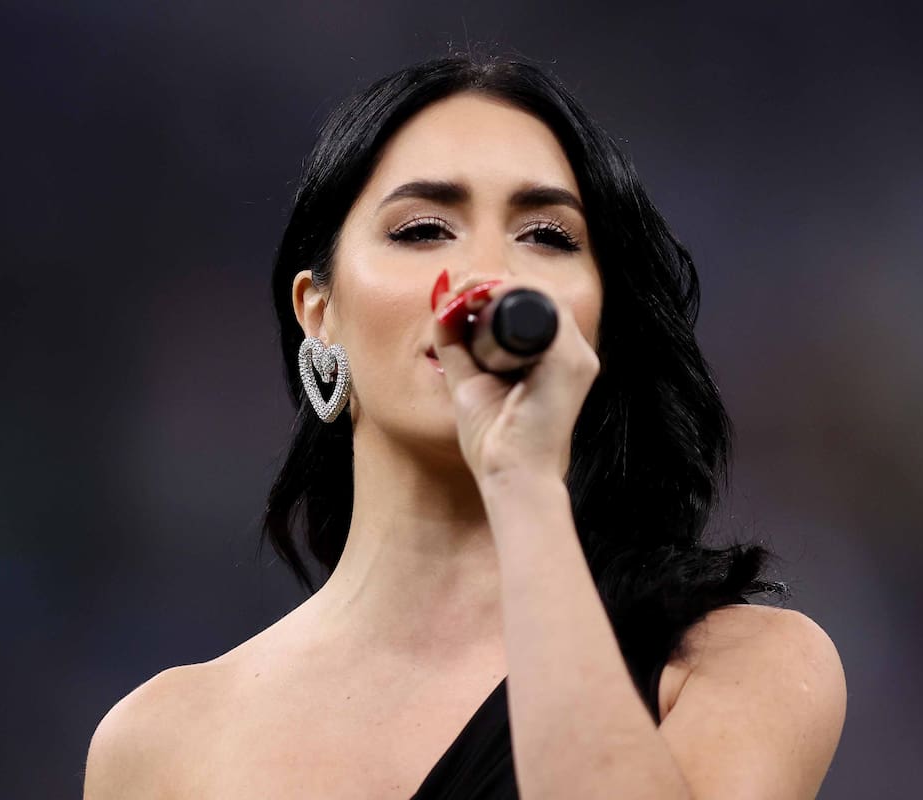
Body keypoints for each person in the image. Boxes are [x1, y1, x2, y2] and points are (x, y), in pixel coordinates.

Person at [83, 50, 847, 799]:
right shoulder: (158, 745)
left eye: (547, 236)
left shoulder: (743, 667)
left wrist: (522, 479)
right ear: (320, 314)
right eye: (421, 230)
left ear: (599, 329)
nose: (486, 276)